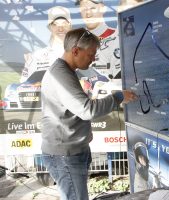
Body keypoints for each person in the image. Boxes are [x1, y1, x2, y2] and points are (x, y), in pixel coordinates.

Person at [41, 28, 138, 200]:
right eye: (91, 54)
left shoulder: (66, 71)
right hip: (65, 155)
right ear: (76, 50)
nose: (93, 59)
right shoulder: (60, 74)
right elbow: (87, 110)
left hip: (71, 152)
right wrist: (119, 96)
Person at [20, 6, 72, 82]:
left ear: (70, 26)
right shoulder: (36, 56)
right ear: (50, 27)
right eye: (55, 24)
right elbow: (24, 84)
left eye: (64, 24)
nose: (60, 29)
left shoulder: (82, 54)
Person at [76, 0, 121, 79]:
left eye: (92, 8)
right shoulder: (75, 42)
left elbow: (122, 81)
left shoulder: (117, 37)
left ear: (103, 9)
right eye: (84, 9)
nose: (88, 14)